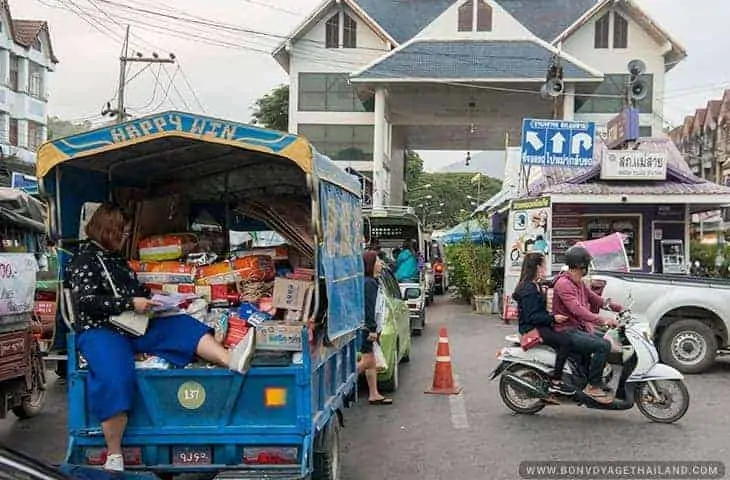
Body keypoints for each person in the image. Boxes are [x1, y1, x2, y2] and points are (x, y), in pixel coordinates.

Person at [66, 204, 255, 472]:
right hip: (101, 330)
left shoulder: (115, 257)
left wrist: (158, 301)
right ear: (108, 230)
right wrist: (130, 302)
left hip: (135, 325)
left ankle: (231, 359)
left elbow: (135, 288)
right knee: (116, 376)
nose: (124, 239)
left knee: (183, 326)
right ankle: (115, 454)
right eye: (122, 233)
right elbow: (86, 302)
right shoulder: (84, 259)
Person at [552, 245, 623, 403]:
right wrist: (603, 320)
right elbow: (577, 310)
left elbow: (594, 299)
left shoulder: (579, 283)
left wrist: (616, 307)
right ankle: (593, 385)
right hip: (567, 331)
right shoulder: (564, 284)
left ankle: (592, 375)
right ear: (580, 266)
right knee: (602, 345)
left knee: (608, 338)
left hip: (579, 327)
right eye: (586, 265)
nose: (587, 269)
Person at [512, 253, 574, 395]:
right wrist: (553, 318)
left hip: (539, 324)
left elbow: (551, 282)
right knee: (566, 342)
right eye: (544, 264)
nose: (546, 267)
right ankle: (556, 381)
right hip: (532, 328)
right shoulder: (529, 289)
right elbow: (533, 316)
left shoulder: (534, 284)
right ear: (538, 267)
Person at [357, 250, 392, 405]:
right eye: (377, 261)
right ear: (370, 264)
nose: (380, 264)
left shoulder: (370, 281)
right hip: (367, 328)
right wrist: (371, 329)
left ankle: (374, 393)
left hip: (370, 327)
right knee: (367, 361)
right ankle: (343, 379)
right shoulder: (369, 283)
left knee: (370, 363)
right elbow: (368, 308)